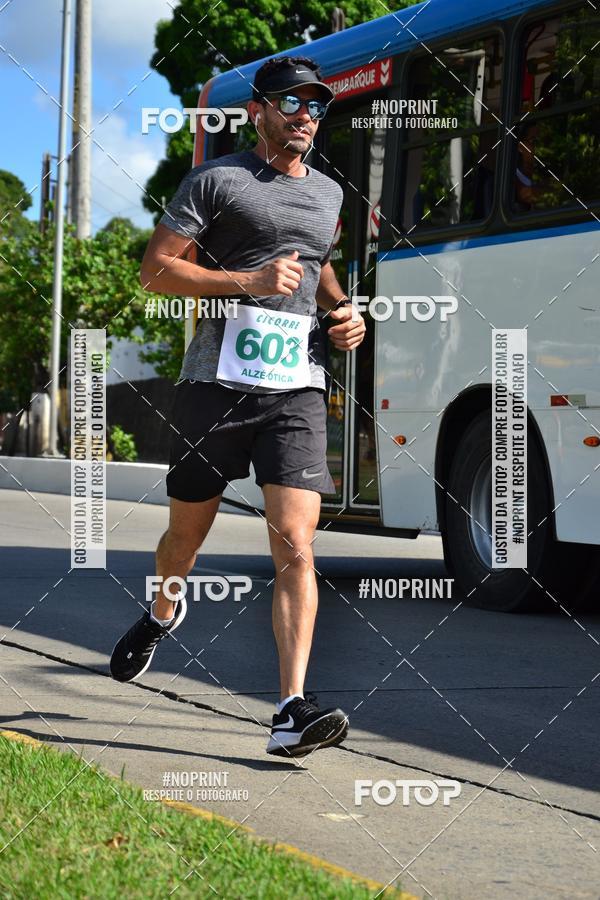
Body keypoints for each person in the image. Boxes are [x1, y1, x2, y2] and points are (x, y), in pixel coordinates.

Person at [110, 55, 366, 757]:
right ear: (258, 112)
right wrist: (247, 280)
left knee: (296, 544)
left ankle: (290, 711)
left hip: (296, 386)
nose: (307, 115)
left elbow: (317, 266)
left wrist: (342, 312)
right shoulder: (216, 180)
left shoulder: (328, 193)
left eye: (317, 105)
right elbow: (156, 270)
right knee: (184, 537)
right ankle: (164, 609)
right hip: (215, 387)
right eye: (293, 102)